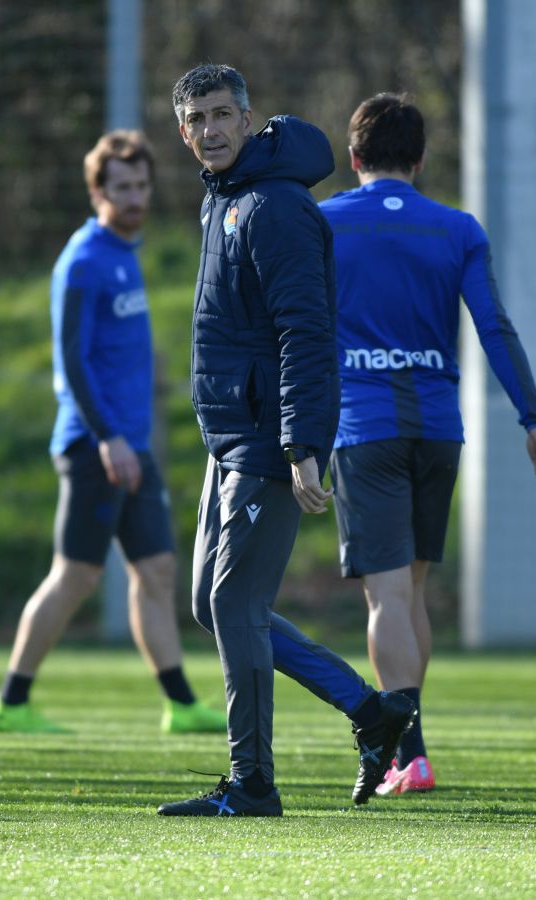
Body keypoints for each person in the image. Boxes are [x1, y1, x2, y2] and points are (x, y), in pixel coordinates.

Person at [156, 64, 415, 817]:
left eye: (222, 114)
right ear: (183, 132)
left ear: (249, 117)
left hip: (270, 438)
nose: (210, 129)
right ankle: (372, 711)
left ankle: (253, 784)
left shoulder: (274, 206)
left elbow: (307, 332)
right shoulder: (223, 201)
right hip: (229, 436)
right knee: (215, 605)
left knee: (234, 605)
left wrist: (303, 441)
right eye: (196, 119)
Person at [319, 93, 536, 796]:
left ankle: (405, 754)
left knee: (386, 598)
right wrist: (533, 418)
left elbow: (296, 326)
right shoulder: (456, 228)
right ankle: (414, 752)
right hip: (437, 429)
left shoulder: (324, 223)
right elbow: (495, 327)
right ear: (420, 161)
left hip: (365, 429)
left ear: (354, 156)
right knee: (414, 591)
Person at [0, 130, 227, 736]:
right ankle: (11, 702)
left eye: (142, 185)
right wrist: (107, 437)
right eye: (123, 187)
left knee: (158, 572)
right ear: (98, 191)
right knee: (76, 575)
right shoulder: (84, 259)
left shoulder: (125, 254)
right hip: (96, 445)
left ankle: (179, 703)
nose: (136, 197)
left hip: (132, 445)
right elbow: (71, 362)